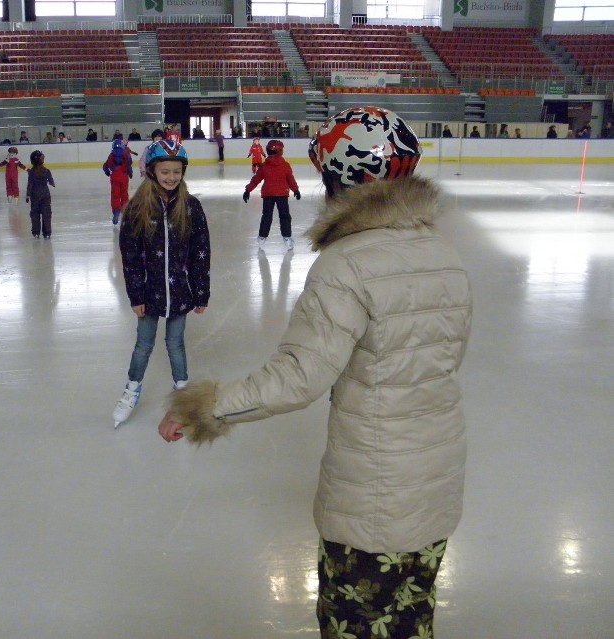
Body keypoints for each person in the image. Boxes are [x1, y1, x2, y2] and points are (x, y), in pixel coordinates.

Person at [158, 106, 472, 639]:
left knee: (356, 623)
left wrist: (205, 406)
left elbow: (300, 377)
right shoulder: (444, 255)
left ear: (340, 180)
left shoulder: (347, 264)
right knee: (411, 619)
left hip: (373, 491)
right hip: (435, 478)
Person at [112, 140, 211, 428]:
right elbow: (129, 256)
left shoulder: (191, 207)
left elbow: (200, 253)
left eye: (177, 171)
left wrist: (201, 292)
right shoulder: (137, 208)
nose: (171, 177)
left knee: (175, 344)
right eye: (165, 171)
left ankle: (183, 393)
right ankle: (132, 389)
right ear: (152, 171)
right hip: (149, 291)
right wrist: (135, 295)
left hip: (179, 291)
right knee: (143, 345)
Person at [243, 139, 300, 251]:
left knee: (267, 216)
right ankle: (287, 238)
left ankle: (262, 238)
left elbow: (256, 180)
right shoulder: (285, 165)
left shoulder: (264, 166)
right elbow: (291, 180)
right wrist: (296, 190)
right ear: (280, 151)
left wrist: (248, 190)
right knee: (285, 216)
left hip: (268, 194)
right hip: (282, 194)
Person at [26, 150, 56, 238]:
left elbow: (30, 184)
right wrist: (52, 182)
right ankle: (47, 233)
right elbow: (51, 181)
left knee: (35, 214)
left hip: (35, 196)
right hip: (45, 195)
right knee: (46, 214)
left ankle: (36, 232)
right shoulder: (46, 171)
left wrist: (28, 195)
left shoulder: (32, 172)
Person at [103, 138, 133, 225]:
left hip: (115, 176)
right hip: (124, 176)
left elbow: (105, 165)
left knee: (115, 195)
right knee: (124, 194)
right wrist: (130, 174)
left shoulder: (111, 154)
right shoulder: (125, 153)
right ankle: (125, 211)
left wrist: (108, 172)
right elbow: (128, 164)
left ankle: (116, 211)